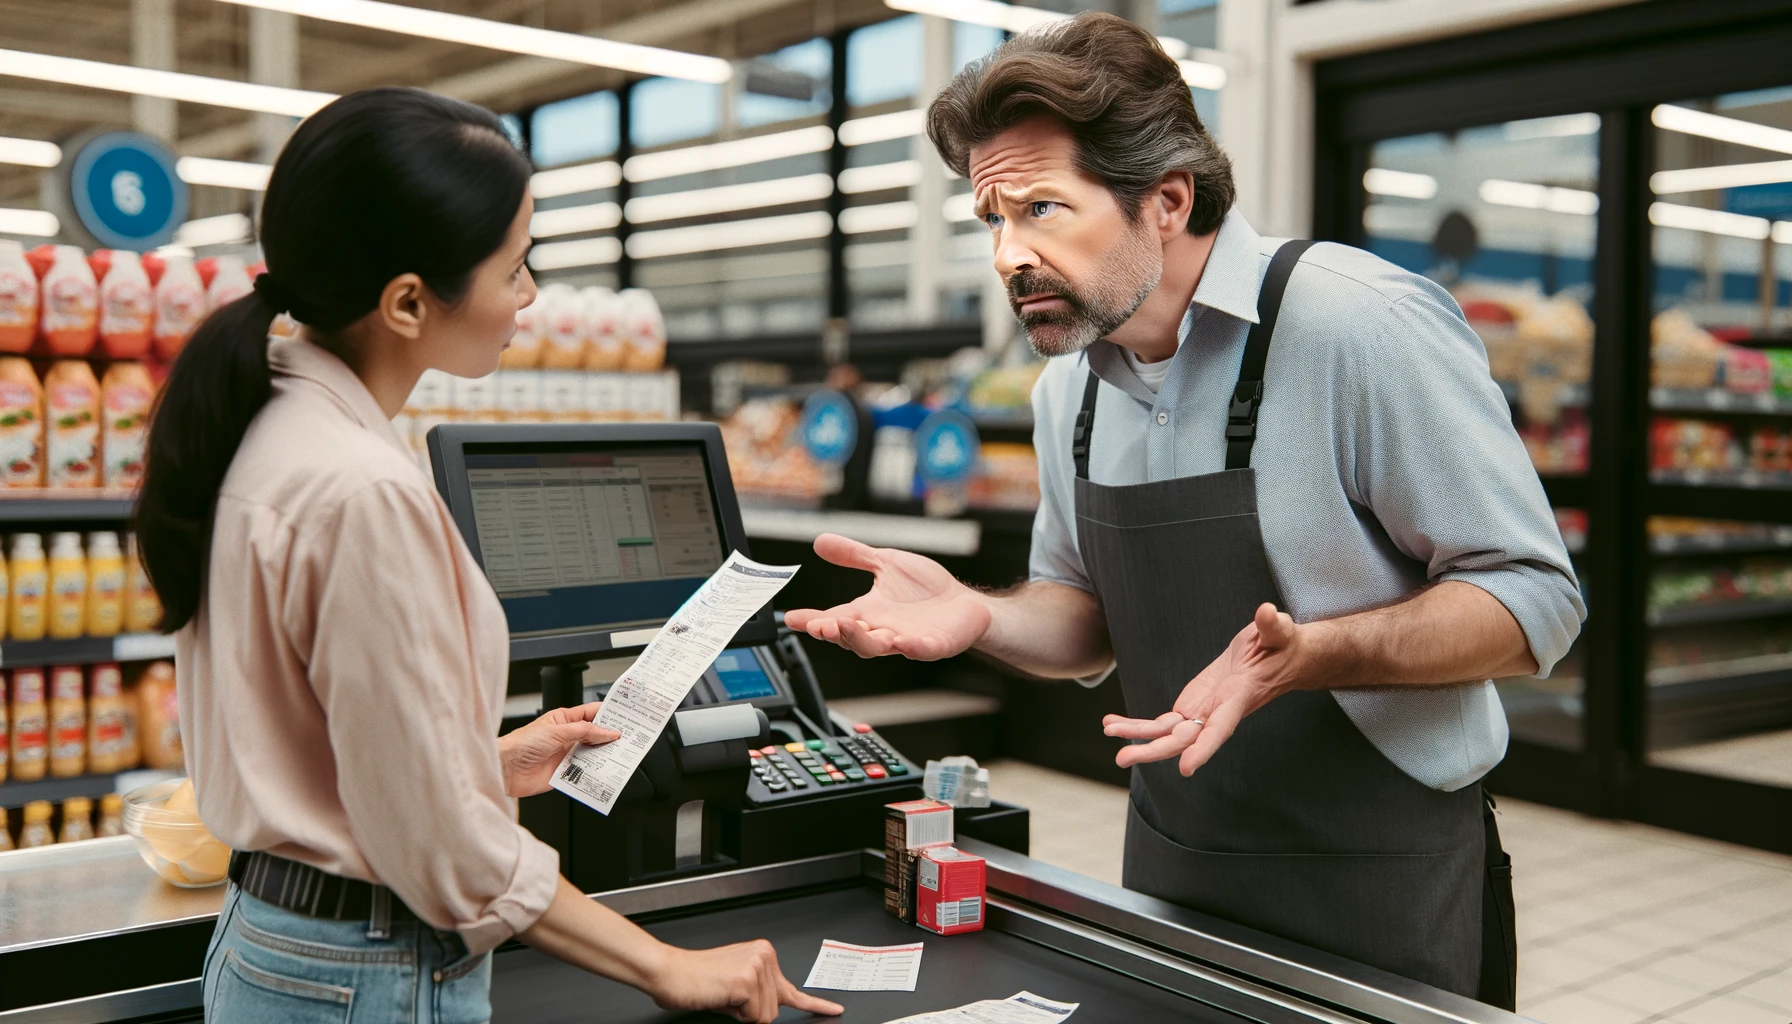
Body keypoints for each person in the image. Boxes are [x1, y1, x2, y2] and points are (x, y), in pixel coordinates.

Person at [785, 14, 1582, 1009]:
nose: (1006, 255)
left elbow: (1536, 599)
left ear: (1165, 199)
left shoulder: (1353, 326)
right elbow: (1084, 624)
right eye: (990, 217)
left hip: (1379, 870)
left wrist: (1316, 654)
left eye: (1040, 208)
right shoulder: (1066, 392)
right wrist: (980, 613)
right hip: (1176, 864)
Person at [136, 88, 841, 1024]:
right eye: (514, 266)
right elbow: (451, 856)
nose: (530, 294)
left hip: (279, 945)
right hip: (366, 970)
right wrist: (668, 966)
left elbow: (328, 739)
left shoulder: (267, 425)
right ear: (408, 302)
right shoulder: (362, 490)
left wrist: (482, 762)